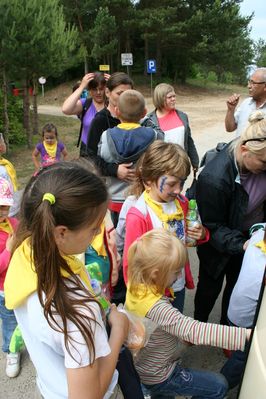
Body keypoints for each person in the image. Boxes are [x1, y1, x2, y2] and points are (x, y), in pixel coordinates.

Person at [4, 162, 129, 399]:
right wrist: (119, 331)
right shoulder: (74, 312)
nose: (97, 234)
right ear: (61, 232)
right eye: (94, 228)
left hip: (52, 388)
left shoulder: (25, 251)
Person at [125, 229, 251, 399]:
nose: (179, 276)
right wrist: (248, 336)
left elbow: (159, 326)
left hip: (146, 367)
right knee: (218, 386)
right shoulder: (156, 307)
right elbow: (194, 330)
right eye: (176, 271)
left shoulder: (137, 285)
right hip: (161, 375)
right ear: (156, 273)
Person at [194, 111, 266, 326]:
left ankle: (229, 330)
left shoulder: (257, 152)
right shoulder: (214, 179)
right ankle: (199, 325)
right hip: (219, 246)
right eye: (263, 162)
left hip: (249, 239)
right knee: (209, 286)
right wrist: (243, 244)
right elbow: (212, 227)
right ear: (244, 151)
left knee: (236, 287)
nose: (265, 167)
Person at [123, 141, 209, 312]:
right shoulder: (140, 214)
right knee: (154, 336)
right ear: (148, 181)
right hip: (151, 295)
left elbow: (188, 239)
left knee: (173, 331)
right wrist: (140, 297)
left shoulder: (182, 204)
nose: (178, 190)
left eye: (182, 183)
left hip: (177, 285)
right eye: (171, 184)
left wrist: (201, 234)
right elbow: (131, 262)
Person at [98, 89, 164, 218]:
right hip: (142, 198)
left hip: (115, 199)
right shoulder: (153, 136)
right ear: (144, 112)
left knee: (120, 235)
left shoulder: (106, 136)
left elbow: (101, 158)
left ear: (117, 111)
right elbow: (162, 139)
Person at [220, 223, 266, 388]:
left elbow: (257, 226)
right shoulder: (262, 272)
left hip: (234, 310)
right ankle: (220, 387)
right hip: (244, 321)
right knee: (242, 357)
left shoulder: (259, 236)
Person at [85, 72, 135, 198]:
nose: (125, 98)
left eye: (128, 94)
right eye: (119, 93)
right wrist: (115, 170)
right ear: (107, 93)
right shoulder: (99, 121)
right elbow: (90, 157)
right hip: (111, 194)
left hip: (136, 193)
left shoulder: (138, 118)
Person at [142, 83, 199, 171]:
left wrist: (195, 161)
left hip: (181, 166)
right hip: (161, 169)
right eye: (170, 97)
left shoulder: (182, 116)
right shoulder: (149, 121)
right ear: (160, 99)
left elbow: (188, 140)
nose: (173, 99)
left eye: (174, 96)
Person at [0, 177, 20, 378]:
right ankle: (10, 351)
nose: (2, 212)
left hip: (20, 281)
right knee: (9, 321)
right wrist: (8, 250)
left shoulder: (13, 223)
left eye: (4, 206)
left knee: (23, 316)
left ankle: (26, 340)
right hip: (3, 289)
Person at [62, 72, 108, 156]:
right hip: (87, 151)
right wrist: (81, 87)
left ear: (106, 89)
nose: (98, 92)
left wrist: (115, 86)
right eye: (94, 89)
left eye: (101, 89)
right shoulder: (85, 104)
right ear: (89, 90)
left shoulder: (113, 104)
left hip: (108, 151)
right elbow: (65, 109)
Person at [225, 67, 266, 137]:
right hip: (239, 147)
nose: (249, 86)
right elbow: (230, 128)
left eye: (253, 83)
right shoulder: (246, 103)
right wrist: (230, 109)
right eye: (249, 82)